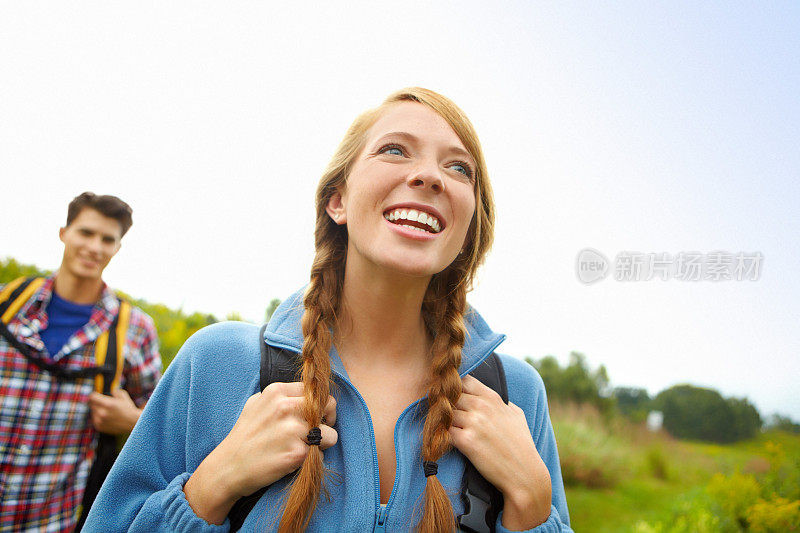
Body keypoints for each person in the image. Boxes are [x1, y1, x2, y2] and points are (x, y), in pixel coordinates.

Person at [85, 88, 573, 532]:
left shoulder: (516, 395)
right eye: (394, 150)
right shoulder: (215, 363)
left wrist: (533, 505)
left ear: (468, 224)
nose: (428, 175)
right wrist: (211, 487)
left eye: (459, 168)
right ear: (337, 201)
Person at [0, 192, 162, 532]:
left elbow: (162, 422)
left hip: (53, 519)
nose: (95, 247)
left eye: (108, 239)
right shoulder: (6, 304)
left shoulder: (134, 329)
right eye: (86, 233)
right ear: (64, 233)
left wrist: (131, 420)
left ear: (117, 248)